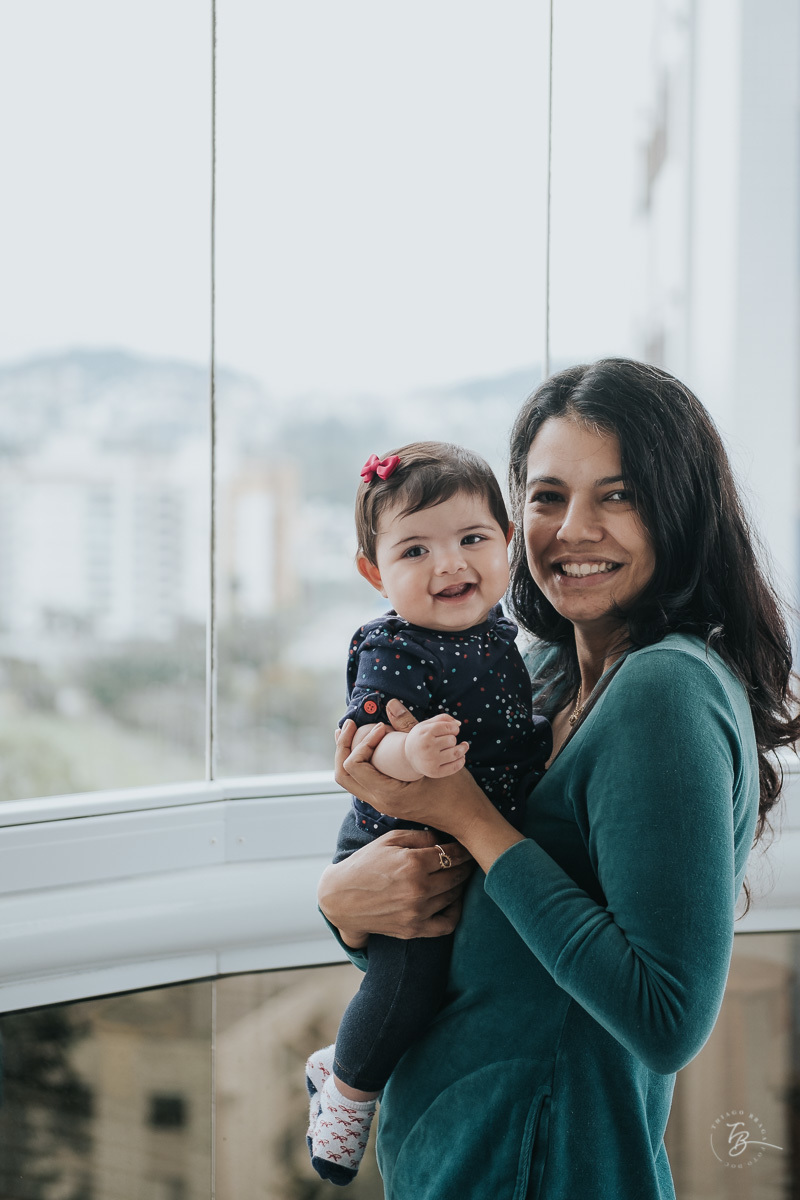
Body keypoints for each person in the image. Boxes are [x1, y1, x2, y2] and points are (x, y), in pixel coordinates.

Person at [318, 359, 800, 1200]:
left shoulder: (663, 691)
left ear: (680, 509)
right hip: (454, 1160)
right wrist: (346, 905)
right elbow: (469, 942)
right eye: (548, 497)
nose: (574, 530)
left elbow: (666, 1020)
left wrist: (472, 819)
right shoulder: (537, 673)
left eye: (619, 495)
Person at [306, 442, 552, 1185]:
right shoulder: (393, 646)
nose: (449, 565)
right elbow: (365, 741)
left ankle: (344, 1056)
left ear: (506, 543)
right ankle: (348, 1095)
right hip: (397, 837)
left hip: (459, 835)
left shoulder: (500, 633)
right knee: (411, 974)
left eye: (471, 539)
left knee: (440, 981)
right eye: (415, 550)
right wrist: (411, 753)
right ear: (374, 573)